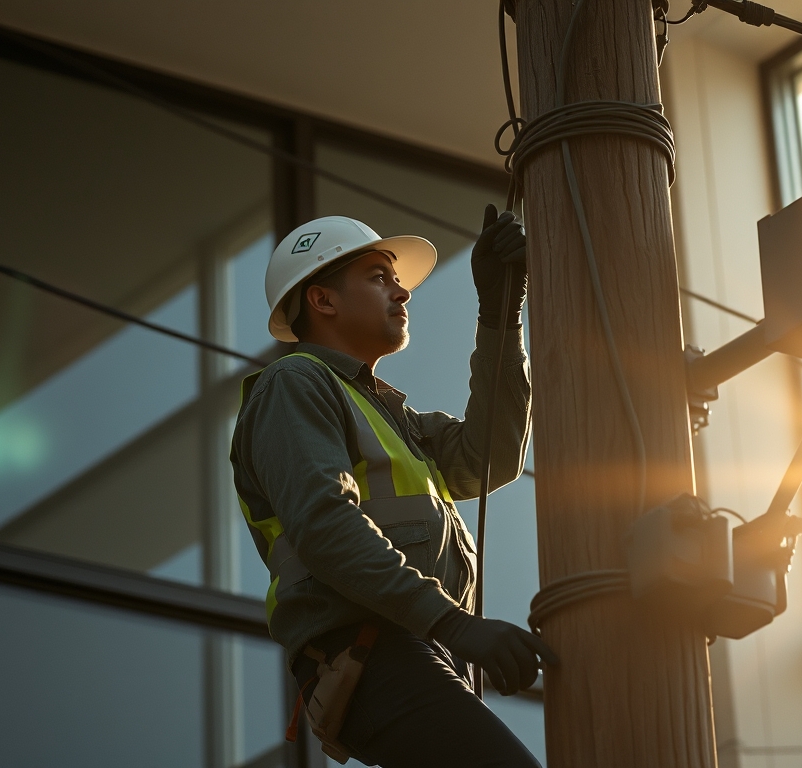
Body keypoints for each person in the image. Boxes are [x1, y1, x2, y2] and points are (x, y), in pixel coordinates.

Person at [230, 207, 557, 767]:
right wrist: (454, 624)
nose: (402, 293)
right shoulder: (296, 382)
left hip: (410, 644)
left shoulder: (393, 418)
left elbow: (491, 457)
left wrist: (500, 315)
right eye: (380, 278)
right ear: (323, 300)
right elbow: (325, 523)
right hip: (369, 648)